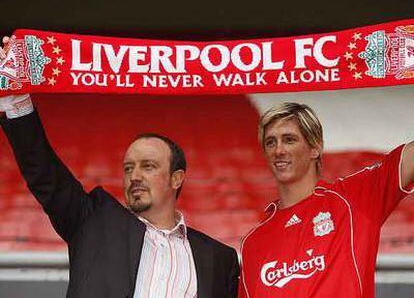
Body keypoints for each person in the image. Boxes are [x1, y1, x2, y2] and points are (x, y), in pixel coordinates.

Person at [0, 36, 239, 298]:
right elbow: (45, 174)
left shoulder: (219, 259)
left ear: (176, 178)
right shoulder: (93, 223)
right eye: (128, 168)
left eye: (148, 166)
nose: (134, 176)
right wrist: (16, 99)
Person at [239, 102, 414, 298]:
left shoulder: (353, 199)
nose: (278, 150)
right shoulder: (253, 242)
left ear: (315, 148)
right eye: (271, 142)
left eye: (289, 140)